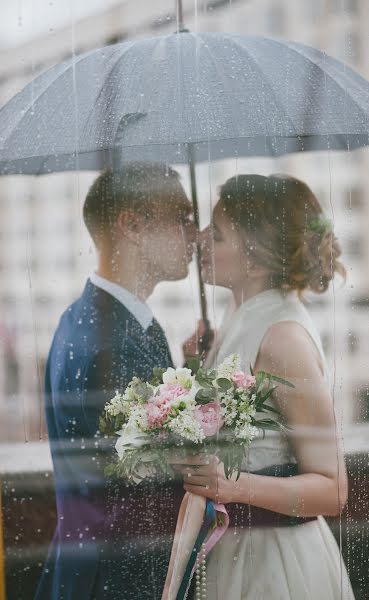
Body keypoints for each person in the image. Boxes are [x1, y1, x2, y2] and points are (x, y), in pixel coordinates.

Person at [175, 174, 355, 599]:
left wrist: (233, 486)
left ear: (254, 260)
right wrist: (196, 370)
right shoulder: (239, 311)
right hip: (230, 549)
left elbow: (333, 489)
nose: (199, 238)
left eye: (215, 235)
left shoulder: (284, 339)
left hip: (273, 565)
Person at [35, 163, 196, 600]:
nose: (195, 234)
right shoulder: (111, 346)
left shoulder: (93, 318)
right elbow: (155, 483)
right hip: (118, 581)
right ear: (133, 226)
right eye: (183, 218)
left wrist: (195, 373)